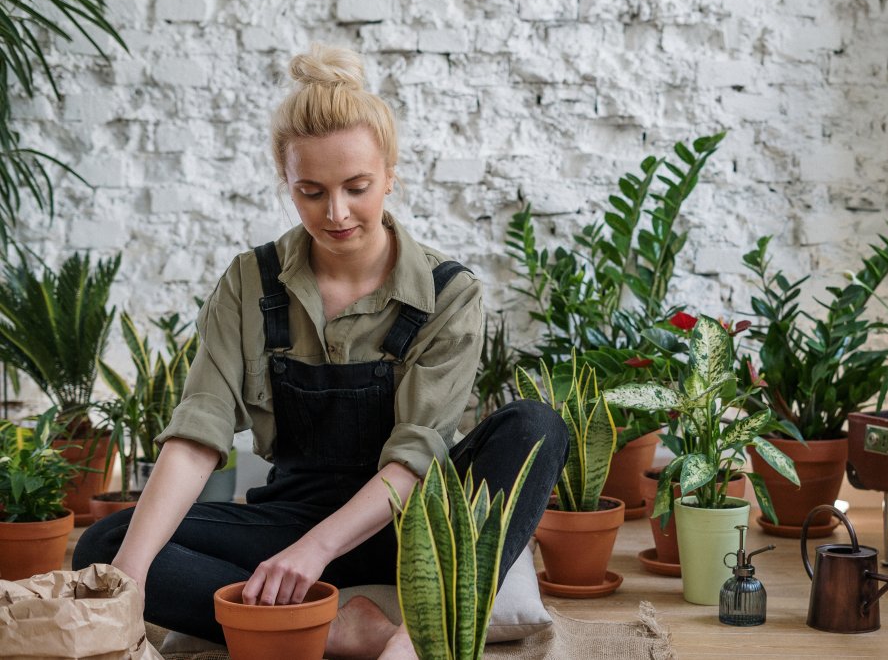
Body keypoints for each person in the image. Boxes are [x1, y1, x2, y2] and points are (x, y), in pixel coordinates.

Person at [74, 44, 568, 660]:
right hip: (290, 517)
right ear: (286, 182)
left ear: (391, 173)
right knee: (107, 547)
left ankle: (420, 635)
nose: (336, 213)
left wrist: (316, 552)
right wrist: (132, 579)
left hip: (414, 526)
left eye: (357, 187)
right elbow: (197, 435)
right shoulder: (249, 283)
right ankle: (342, 631)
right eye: (310, 192)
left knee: (537, 424)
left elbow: (414, 460)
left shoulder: (448, 293)